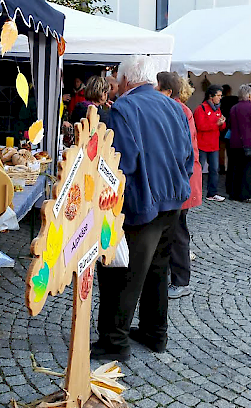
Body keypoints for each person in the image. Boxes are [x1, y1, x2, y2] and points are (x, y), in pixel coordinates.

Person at [92, 56, 193, 362]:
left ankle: (115, 341)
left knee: (123, 272)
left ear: (126, 80)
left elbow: (122, 161)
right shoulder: (174, 105)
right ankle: (154, 332)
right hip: (172, 200)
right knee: (157, 270)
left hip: (143, 202)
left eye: (118, 79)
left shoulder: (125, 107)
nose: (116, 84)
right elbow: (187, 154)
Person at [156, 72, 202, 300]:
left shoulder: (179, 110)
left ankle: (181, 281)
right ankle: (176, 279)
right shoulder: (179, 108)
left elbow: (182, 151)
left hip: (181, 182)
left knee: (178, 233)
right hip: (180, 180)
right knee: (174, 231)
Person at [226, 83, 251, 203]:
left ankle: (234, 193)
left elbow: (230, 125)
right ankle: (245, 195)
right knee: (247, 170)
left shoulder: (234, 107)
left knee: (236, 168)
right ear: (248, 95)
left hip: (234, 142)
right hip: (249, 142)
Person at [194, 84, 226, 202]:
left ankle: (212, 193)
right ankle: (194, 192)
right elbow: (200, 126)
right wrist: (216, 124)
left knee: (214, 170)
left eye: (220, 95)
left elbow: (221, 127)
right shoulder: (201, 109)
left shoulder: (217, 109)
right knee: (198, 170)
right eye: (218, 95)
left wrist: (222, 123)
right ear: (210, 96)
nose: (219, 98)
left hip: (214, 145)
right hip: (202, 144)